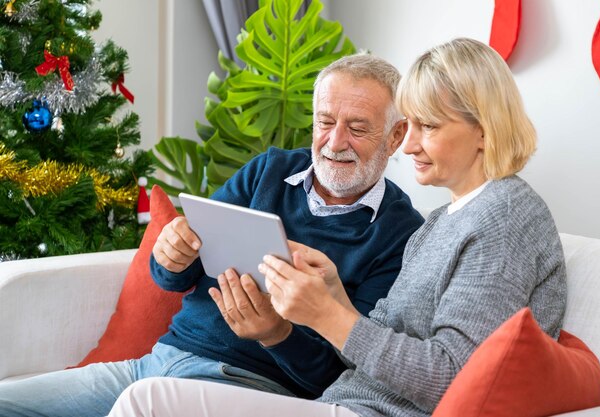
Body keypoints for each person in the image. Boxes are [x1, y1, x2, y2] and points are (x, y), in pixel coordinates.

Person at [106, 37, 568, 417]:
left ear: (483, 130)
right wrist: (334, 293)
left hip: (355, 410)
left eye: (426, 127)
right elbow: (378, 340)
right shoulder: (442, 223)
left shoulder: (505, 217)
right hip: (338, 400)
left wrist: (322, 317)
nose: (409, 147)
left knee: (149, 402)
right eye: (325, 122)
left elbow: (451, 376)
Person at [0, 54, 425, 417]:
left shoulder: (400, 234)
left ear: (396, 136)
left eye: (357, 127)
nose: (334, 141)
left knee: (144, 403)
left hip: (247, 389)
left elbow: (347, 377)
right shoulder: (269, 170)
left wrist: (276, 334)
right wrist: (169, 258)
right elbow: (176, 273)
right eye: (325, 121)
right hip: (154, 363)